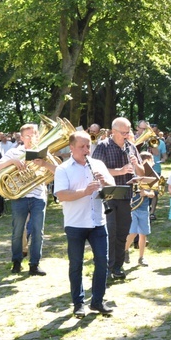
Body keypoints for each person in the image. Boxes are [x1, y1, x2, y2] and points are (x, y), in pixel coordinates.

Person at [54, 131, 115, 317]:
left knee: (102, 262)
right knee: (76, 264)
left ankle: (97, 301)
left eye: (88, 146)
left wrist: (105, 181)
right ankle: (78, 303)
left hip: (97, 221)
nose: (86, 150)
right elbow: (61, 195)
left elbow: (112, 188)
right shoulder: (63, 169)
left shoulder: (98, 164)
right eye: (81, 146)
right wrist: (84, 191)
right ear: (71, 148)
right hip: (75, 223)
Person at [0, 123, 57, 276]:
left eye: (33, 134)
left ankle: (34, 265)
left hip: (38, 196)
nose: (31, 138)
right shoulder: (14, 151)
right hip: (20, 197)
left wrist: (45, 163)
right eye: (27, 135)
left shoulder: (43, 152)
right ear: (21, 138)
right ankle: (16, 262)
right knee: (17, 231)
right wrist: (12, 162)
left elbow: (58, 170)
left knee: (37, 231)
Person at [92, 117, 143, 280]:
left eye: (129, 132)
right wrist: (120, 171)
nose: (127, 135)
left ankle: (117, 267)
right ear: (113, 131)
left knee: (123, 231)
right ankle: (106, 267)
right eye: (124, 132)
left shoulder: (131, 146)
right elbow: (95, 171)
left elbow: (142, 172)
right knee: (110, 231)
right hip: (108, 193)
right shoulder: (103, 146)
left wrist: (136, 165)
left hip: (126, 194)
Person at [125, 151, 154, 267]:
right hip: (133, 208)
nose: (151, 165)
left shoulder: (150, 176)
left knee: (143, 234)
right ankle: (125, 250)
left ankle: (141, 257)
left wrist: (146, 192)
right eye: (148, 162)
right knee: (132, 232)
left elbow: (153, 193)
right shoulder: (133, 174)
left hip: (143, 208)